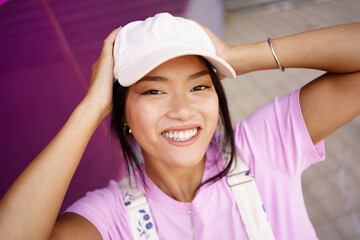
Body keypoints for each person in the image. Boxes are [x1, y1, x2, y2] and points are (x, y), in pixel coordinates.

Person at [0, 12, 359, 240]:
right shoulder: (111, 219)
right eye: (155, 90)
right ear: (122, 112)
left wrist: (237, 57)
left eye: (199, 86)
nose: (182, 109)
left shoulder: (265, 146)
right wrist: (92, 107)